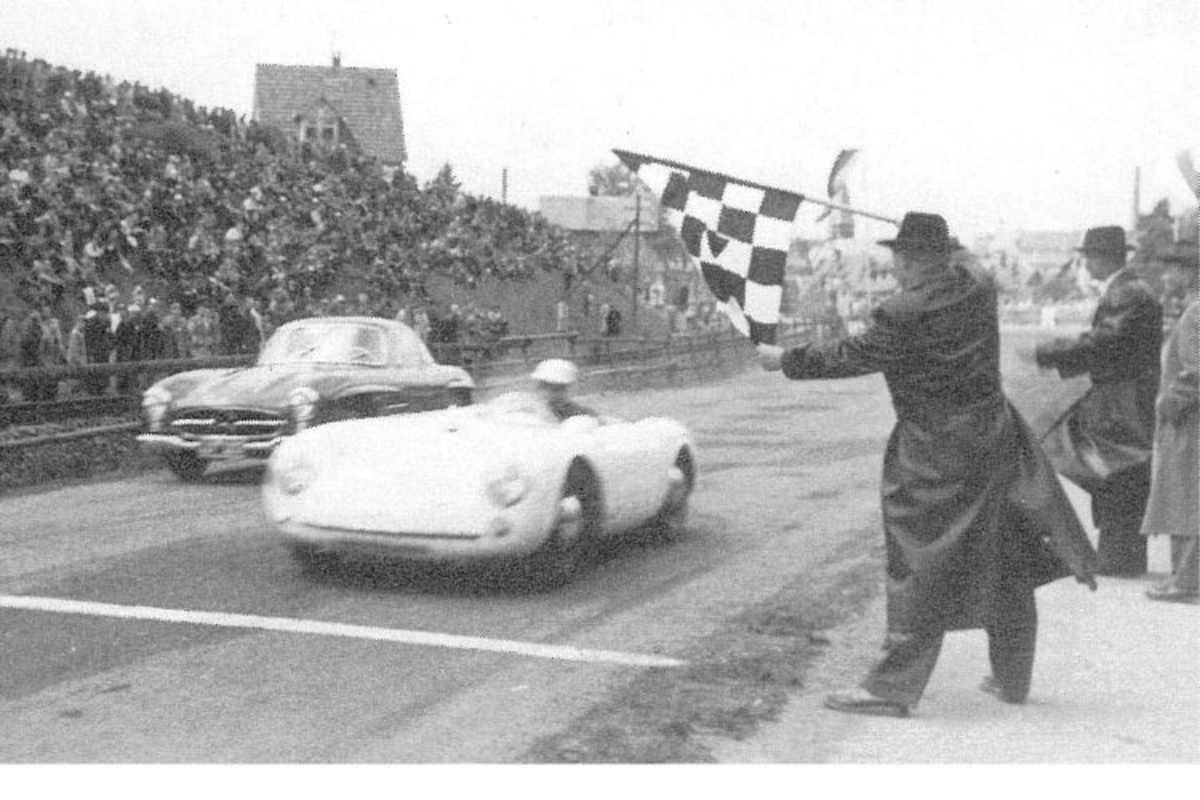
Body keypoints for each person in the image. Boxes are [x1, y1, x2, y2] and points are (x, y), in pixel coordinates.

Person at [757, 212, 1097, 717]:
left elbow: (851, 354)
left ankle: (892, 688)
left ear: (920, 259)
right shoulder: (977, 286)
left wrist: (785, 360)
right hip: (994, 433)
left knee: (919, 560)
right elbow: (969, 262)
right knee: (1003, 552)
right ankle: (1012, 677)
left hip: (933, 446)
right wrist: (943, 243)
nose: (895, 268)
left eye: (901, 257)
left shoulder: (904, 310)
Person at [1036, 226, 1163, 577]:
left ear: (1104, 257)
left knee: (1116, 472)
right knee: (1120, 472)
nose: (1086, 262)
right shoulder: (1130, 289)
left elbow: (1103, 342)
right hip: (1127, 395)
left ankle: (1118, 557)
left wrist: (1048, 353)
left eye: (1089, 255)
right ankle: (1121, 556)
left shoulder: (1126, 293)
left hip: (1122, 398)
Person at [1140, 227, 1198, 603]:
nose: (1166, 275)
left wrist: (1167, 405)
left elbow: (1194, 371)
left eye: (1174, 268)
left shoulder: (1195, 313)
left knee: (1188, 500)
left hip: (1190, 423)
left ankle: (1186, 580)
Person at [530, 359, 596, 422]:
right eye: (541, 386)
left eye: (555, 389)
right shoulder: (533, 410)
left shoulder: (580, 414)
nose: (543, 391)